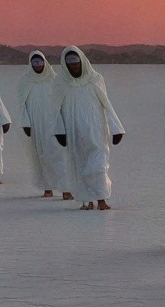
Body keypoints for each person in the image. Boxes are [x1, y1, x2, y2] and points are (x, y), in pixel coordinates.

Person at [52, 46, 121, 211]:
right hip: (74, 133)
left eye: (76, 61)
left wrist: (116, 127)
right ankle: (86, 200)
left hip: (96, 131)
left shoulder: (95, 79)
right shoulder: (60, 83)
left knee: (98, 166)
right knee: (80, 166)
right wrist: (59, 131)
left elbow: (106, 104)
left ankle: (102, 199)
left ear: (82, 61)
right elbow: (55, 110)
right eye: (70, 62)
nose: (74, 66)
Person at [15, 51, 62, 197]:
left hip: (54, 124)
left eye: (40, 62)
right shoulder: (25, 81)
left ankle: (66, 188)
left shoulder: (54, 79)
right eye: (34, 63)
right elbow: (22, 105)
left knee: (59, 155)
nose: (38, 65)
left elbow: (61, 102)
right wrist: (25, 123)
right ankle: (47, 188)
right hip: (36, 125)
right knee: (41, 155)